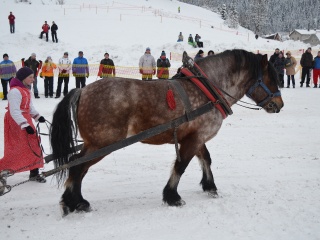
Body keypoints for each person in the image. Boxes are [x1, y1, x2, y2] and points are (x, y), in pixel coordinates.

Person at [0, 67, 47, 183]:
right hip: (16, 122)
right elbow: (14, 111)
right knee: (17, 149)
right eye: (30, 77)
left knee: (34, 145)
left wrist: (37, 116)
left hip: (25, 120)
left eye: (33, 77)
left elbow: (29, 108)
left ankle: (34, 173)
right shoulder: (15, 91)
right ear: (23, 78)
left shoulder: (26, 90)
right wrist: (24, 125)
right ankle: (3, 170)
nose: (33, 80)